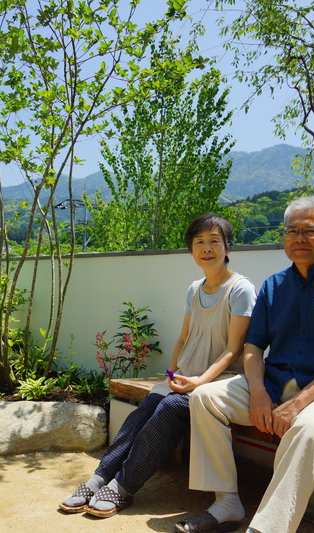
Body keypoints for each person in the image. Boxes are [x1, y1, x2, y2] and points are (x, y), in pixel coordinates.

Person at [177, 196, 314, 533]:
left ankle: (265, 529)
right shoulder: (274, 286)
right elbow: (253, 347)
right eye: (292, 231)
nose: (299, 238)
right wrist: (258, 392)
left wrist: (298, 404)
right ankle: (226, 502)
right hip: (274, 386)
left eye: (310, 231)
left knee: (309, 428)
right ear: (284, 238)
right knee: (205, 398)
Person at [58, 213, 257, 518]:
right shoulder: (194, 288)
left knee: (170, 409)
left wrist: (199, 382)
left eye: (214, 241)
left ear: (227, 246)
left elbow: (234, 349)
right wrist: (171, 374)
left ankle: (123, 486)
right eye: (199, 242)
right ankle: (99, 478)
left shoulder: (241, 289)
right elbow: (183, 337)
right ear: (191, 248)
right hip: (186, 376)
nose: (206, 248)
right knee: (143, 411)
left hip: (219, 381)